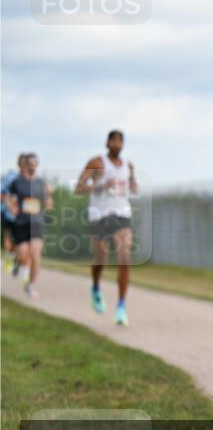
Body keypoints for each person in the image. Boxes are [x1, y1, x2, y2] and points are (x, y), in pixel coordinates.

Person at [74, 129, 138, 325]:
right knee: (101, 259)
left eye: (120, 141)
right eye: (114, 141)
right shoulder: (96, 162)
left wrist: (133, 185)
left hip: (121, 214)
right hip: (99, 215)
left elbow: (133, 186)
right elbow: (78, 188)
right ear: (107, 143)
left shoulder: (128, 165)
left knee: (125, 258)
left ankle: (121, 307)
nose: (117, 144)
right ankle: (95, 287)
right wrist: (100, 186)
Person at [4, 153, 53, 298]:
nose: (32, 166)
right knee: (23, 254)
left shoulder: (41, 182)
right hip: (20, 223)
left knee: (35, 255)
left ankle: (30, 286)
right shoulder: (17, 182)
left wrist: (49, 205)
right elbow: (7, 197)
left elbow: (47, 199)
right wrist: (11, 207)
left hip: (36, 222)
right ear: (25, 165)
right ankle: (17, 261)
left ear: (37, 165)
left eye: (34, 163)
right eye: (29, 163)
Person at [1, 156, 22, 275]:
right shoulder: (10, 177)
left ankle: (16, 260)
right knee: (9, 236)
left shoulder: (31, 179)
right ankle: (9, 259)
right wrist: (8, 205)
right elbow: (1, 194)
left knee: (20, 240)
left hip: (23, 216)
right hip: (8, 214)